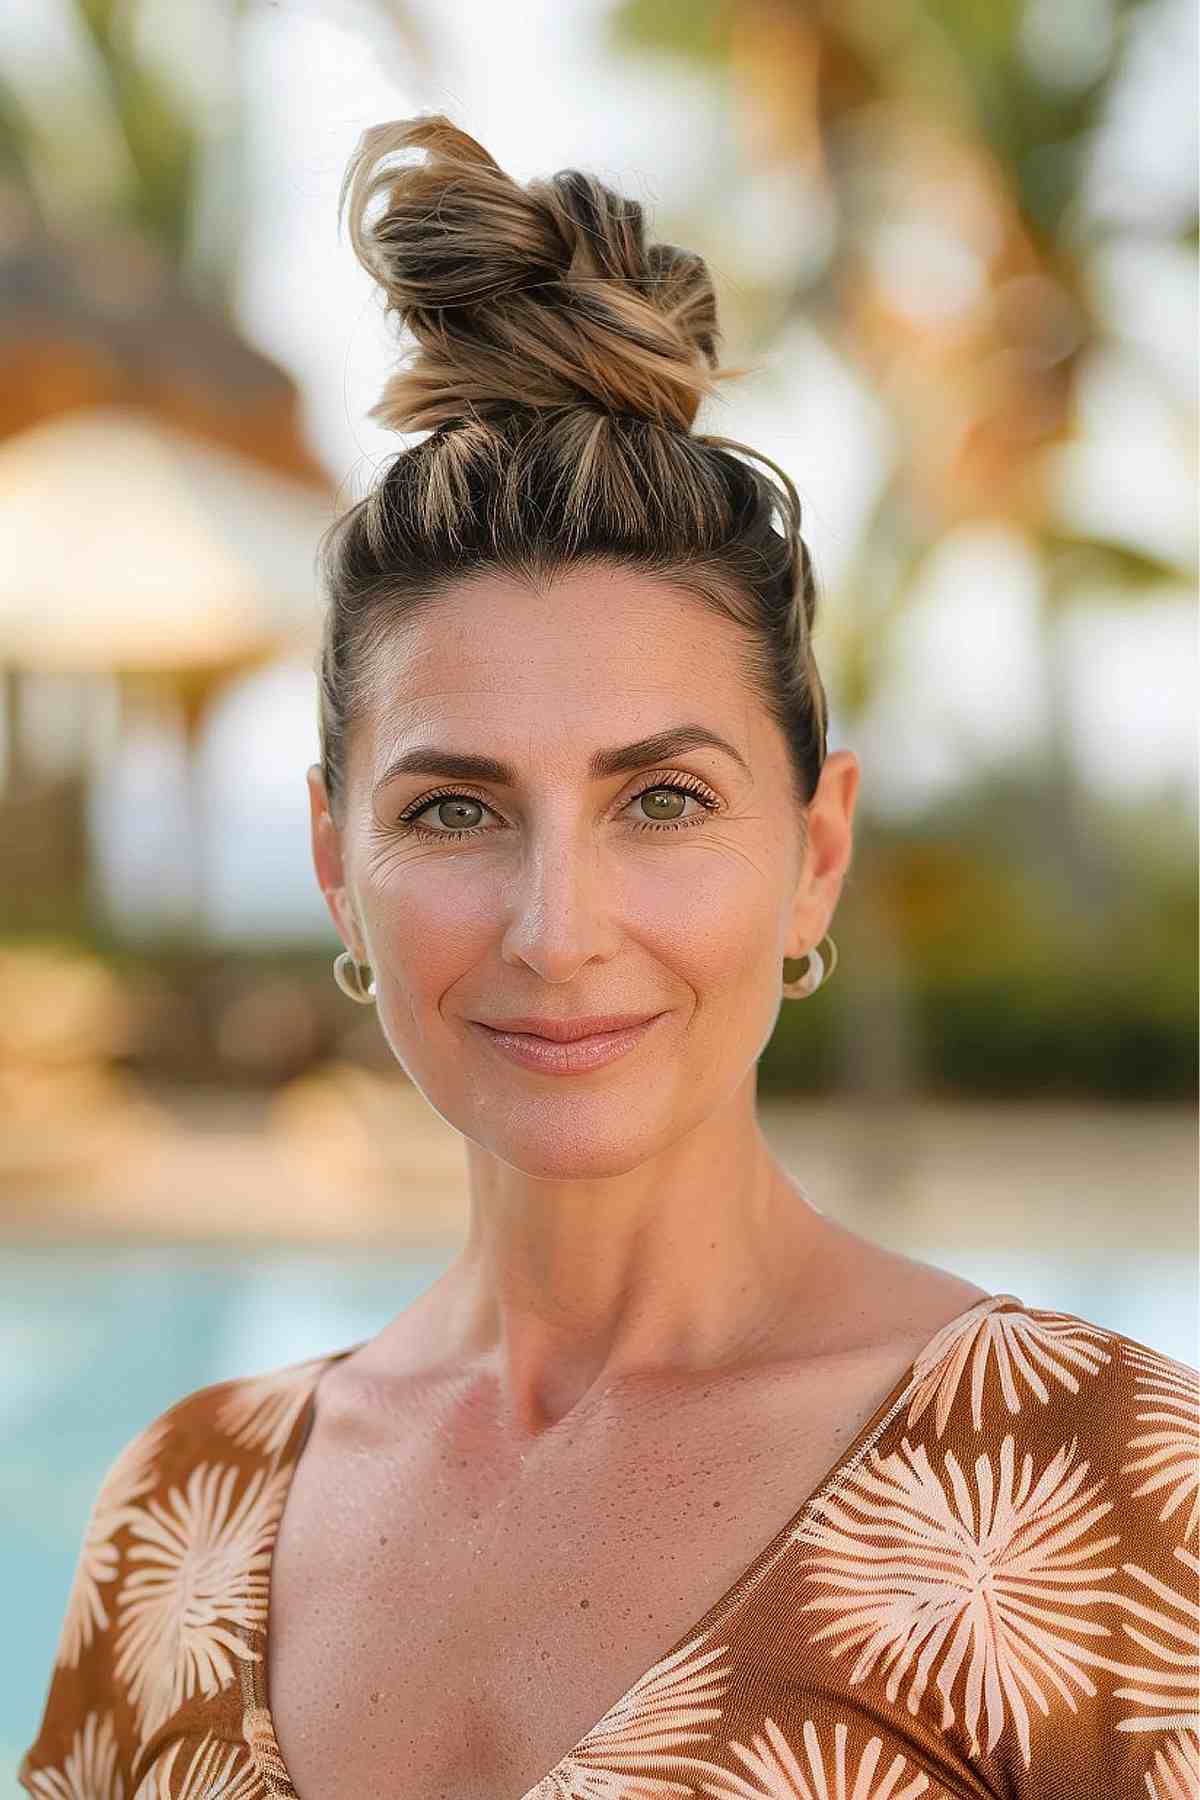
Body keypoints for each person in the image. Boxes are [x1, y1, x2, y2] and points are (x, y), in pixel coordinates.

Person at [20, 114, 1198, 1800]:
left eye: (661, 797)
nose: (557, 930)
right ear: (331, 869)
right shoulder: (178, 1515)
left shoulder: (1105, 1488)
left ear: (816, 852)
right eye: (451, 812)